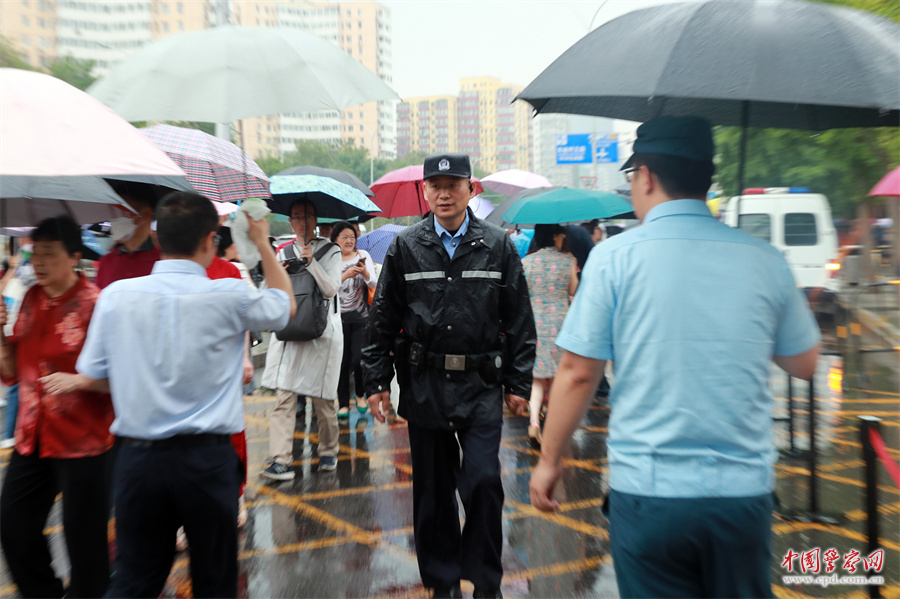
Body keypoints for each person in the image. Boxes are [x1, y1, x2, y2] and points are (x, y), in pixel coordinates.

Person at [530, 116, 821, 598]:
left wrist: (549, 461)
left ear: (644, 176)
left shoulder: (613, 259)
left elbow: (579, 373)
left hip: (649, 495)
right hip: (742, 496)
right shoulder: (763, 259)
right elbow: (804, 363)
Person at [41, 192, 295, 598]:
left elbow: (95, 373)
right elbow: (283, 307)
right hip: (208, 463)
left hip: (138, 461)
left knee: (134, 580)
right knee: (215, 581)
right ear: (210, 240)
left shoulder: (116, 297)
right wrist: (262, 241)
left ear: (158, 240)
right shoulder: (228, 294)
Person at [362, 153, 536, 599]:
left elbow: (519, 318)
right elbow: (382, 317)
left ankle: (485, 582)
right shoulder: (406, 246)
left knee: (482, 483)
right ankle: (443, 584)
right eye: (435, 184)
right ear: (425, 190)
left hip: (480, 385)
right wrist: (377, 381)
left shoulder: (497, 245)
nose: (443, 192)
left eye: (453, 184)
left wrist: (519, 383)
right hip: (425, 386)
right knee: (433, 495)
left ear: (470, 189)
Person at [0, 216, 115, 598]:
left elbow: (122, 377)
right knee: (13, 524)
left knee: (84, 541)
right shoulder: (32, 299)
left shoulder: (96, 306)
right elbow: (13, 371)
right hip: (32, 436)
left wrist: (79, 381)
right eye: (36, 256)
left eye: (49, 255)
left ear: (75, 257)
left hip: (84, 441)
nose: (39, 265)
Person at [260, 199, 343, 479]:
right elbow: (266, 290)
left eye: (307, 216)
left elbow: (332, 288)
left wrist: (311, 264)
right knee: (284, 398)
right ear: (290, 221)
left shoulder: (330, 250)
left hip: (321, 334)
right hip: (290, 332)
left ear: (316, 219)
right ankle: (280, 459)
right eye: (296, 217)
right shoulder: (282, 251)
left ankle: (329, 450)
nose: (301, 221)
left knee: (323, 398)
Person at [521, 224, 578, 445]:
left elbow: (521, 294)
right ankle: (552, 429)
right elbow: (573, 290)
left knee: (537, 379)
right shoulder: (568, 261)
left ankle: (534, 422)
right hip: (560, 326)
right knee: (555, 380)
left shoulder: (526, 262)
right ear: (555, 236)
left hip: (534, 326)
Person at [331, 221, 376, 420]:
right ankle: (342, 403)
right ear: (335, 240)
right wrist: (344, 275)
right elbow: (327, 287)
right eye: (344, 237)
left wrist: (364, 272)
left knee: (358, 360)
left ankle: (360, 395)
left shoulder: (363, 255)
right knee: (341, 363)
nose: (350, 241)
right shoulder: (331, 260)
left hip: (361, 318)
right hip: (337, 319)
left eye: (352, 237)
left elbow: (375, 283)